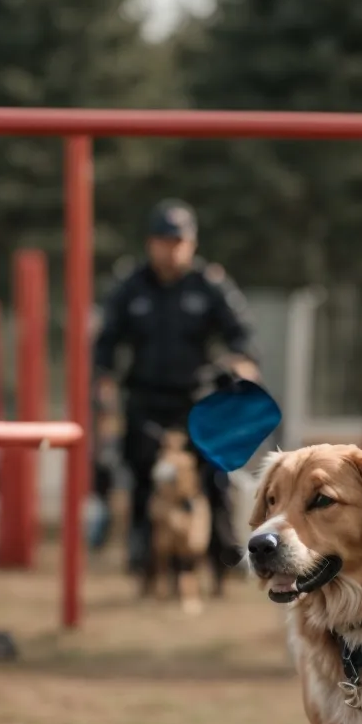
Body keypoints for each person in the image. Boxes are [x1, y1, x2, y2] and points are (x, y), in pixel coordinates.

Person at [93, 198, 261, 584]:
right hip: (145, 401)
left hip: (197, 399)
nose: (171, 250)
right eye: (164, 241)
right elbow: (106, 342)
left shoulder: (210, 285)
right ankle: (143, 559)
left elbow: (243, 335)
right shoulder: (130, 287)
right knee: (139, 478)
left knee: (215, 477)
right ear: (150, 243)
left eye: (179, 241)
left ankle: (223, 557)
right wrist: (102, 378)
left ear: (193, 244)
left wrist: (241, 361)